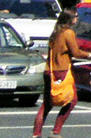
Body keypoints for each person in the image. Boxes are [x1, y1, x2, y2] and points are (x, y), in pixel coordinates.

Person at [33, 9, 81, 138]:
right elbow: (76, 53)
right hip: (62, 71)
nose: (77, 18)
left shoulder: (55, 32)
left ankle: (36, 134)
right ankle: (56, 131)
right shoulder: (68, 33)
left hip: (49, 71)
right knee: (71, 100)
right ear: (69, 19)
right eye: (75, 16)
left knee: (47, 104)